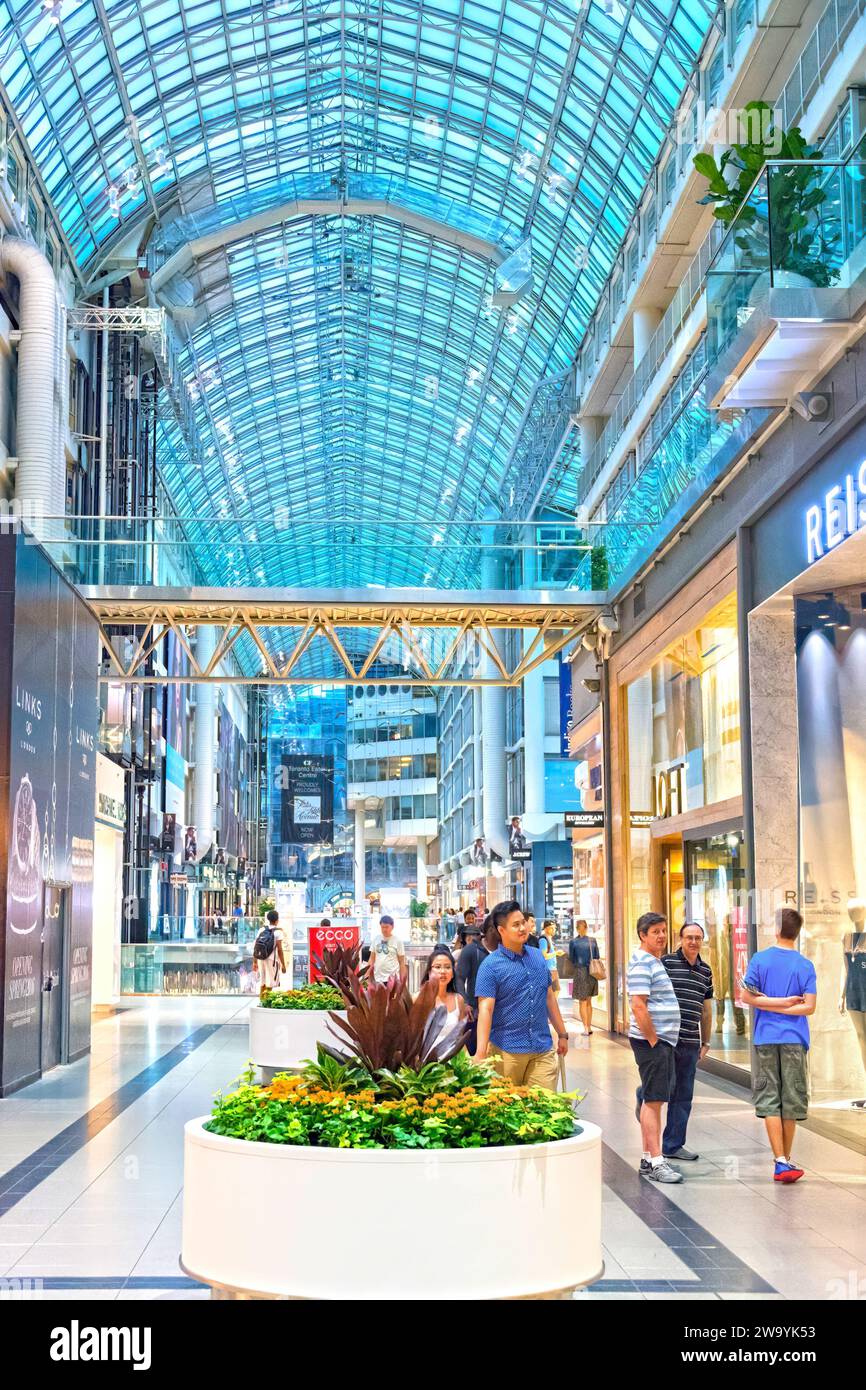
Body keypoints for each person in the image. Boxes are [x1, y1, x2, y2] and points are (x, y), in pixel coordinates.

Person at [741, 908, 817, 1183]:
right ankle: (784, 1160)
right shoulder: (804, 965)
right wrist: (786, 1004)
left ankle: (781, 1160)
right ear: (797, 932)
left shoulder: (760, 960)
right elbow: (809, 1007)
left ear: (776, 929)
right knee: (791, 1100)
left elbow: (747, 997)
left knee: (770, 1098)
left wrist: (771, 1004)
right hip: (795, 1039)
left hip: (765, 1038)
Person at [474, 900, 569, 1090]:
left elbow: (548, 996)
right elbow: (486, 1009)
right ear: (501, 930)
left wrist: (562, 1033)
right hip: (506, 1051)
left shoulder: (537, 956)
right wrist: (480, 1052)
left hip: (542, 1049)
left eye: (523, 922)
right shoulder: (490, 965)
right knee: (507, 1112)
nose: (522, 928)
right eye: (515, 925)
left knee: (544, 1109)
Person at [648, 922, 714, 1162]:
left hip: (689, 1041)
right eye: (689, 937)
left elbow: (706, 1010)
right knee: (664, 1089)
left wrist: (705, 1040)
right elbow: (650, 998)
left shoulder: (706, 971)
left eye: (698, 938)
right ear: (681, 939)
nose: (694, 942)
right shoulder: (665, 963)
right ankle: (642, 1094)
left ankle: (673, 1145)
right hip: (666, 1039)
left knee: (683, 1095)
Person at [627, 911, 683, 1183]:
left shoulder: (653, 961)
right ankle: (658, 1161)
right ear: (642, 935)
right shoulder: (642, 963)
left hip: (660, 1042)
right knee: (654, 1101)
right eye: (655, 932)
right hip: (653, 1043)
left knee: (654, 1099)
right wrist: (653, 1040)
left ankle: (649, 1159)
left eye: (663, 930)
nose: (661, 936)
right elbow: (638, 1005)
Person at [456, 913, 501, 1054]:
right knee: (475, 1052)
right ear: (491, 929)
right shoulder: (471, 950)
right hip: (476, 1010)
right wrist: (465, 1003)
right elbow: (459, 977)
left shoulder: (506, 950)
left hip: (501, 1012)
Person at [422, 946, 468, 1041]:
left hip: (452, 1055)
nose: (443, 971)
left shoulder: (459, 1000)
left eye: (447, 967)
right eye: (438, 967)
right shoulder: (418, 999)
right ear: (429, 972)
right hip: (424, 1055)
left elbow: (460, 1036)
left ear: (452, 973)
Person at [568, 919, 601, 1035]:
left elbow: (571, 959)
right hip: (591, 972)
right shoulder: (592, 941)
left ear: (577, 929)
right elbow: (597, 956)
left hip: (580, 971)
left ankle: (585, 1028)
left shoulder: (573, 942)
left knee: (582, 1001)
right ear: (586, 928)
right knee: (589, 1001)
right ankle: (590, 1026)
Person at [253, 908, 287, 994]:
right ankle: (266, 1001)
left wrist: (255, 962)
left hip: (261, 958)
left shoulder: (262, 930)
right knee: (271, 982)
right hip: (272, 960)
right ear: (277, 920)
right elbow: (279, 949)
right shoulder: (278, 932)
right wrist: (283, 964)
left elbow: (256, 946)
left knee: (263, 981)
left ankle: (262, 1000)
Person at [368, 914, 408, 988]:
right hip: (377, 978)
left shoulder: (398, 941)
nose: (384, 929)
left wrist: (403, 981)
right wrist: (366, 976)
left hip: (392, 979)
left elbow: (402, 962)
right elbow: (371, 959)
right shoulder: (376, 939)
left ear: (392, 927)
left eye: (387, 927)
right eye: (382, 927)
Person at [539, 919, 560, 996]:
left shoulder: (550, 940)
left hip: (553, 969)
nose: (554, 930)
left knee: (556, 992)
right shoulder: (543, 940)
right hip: (548, 970)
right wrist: (556, 953)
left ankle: (551, 1008)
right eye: (551, 928)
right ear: (545, 928)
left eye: (554, 928)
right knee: (552, 994)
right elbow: (544, 956)